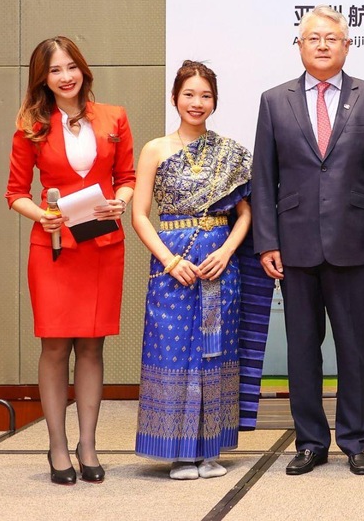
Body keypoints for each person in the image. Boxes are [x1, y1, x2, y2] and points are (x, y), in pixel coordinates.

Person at [252, 6, 364, 476]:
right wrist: (267, 242)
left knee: (355, 347)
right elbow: (264, 176)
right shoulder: (275, 101)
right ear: (299, 45)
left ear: (346, 45)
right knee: (302, 348)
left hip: (355, 245)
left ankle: (356, 439)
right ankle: (310, 441)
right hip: (294, 246)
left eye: (331, 38)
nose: (322, 45)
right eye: (313, 38)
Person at [5, 36, 135, 485]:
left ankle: (88, 445)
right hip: (55, 249)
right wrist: (43, 216)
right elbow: (15, 193)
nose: (65, 76)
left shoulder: (114, 117)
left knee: (93, 346)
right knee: (56, 346)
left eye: (71, 66)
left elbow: (127, 177)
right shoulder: (30, 126)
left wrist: (121, 201)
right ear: (42, 79)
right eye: (55, 70)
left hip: (102, 245)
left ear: (83, 69)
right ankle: (58, 446)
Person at [130, 61, 253, 479]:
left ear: (214, 101)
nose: (197, 103)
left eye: (205, 95)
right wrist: (169, 260)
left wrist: (227, 252)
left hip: (218, 265)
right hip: (173, 266)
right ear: (174, 98)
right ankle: (180, 453)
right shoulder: (154, 149)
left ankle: (210, 450)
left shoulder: (231, 152)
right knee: (173, 351)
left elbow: (245, 213)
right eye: (189, 94)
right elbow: (139, 214)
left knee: (215, 350)